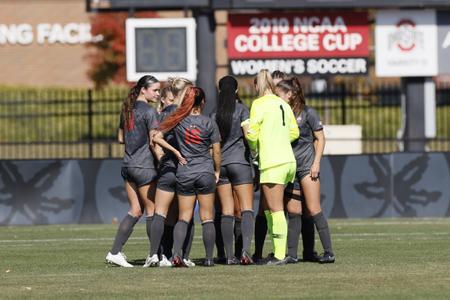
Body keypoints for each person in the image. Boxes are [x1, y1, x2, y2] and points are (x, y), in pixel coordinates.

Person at [158, 86, 221, 267]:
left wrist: (176, 152)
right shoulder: (209, 122)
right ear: (203, 102)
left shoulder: (178, 120)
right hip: (205, 172)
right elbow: (216, 151)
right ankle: (209, 259)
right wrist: (217, 170)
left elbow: (157, 137)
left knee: (184, 217)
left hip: (184, 172)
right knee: (207, 217)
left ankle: (176, 255)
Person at [276, 77, 335, 264]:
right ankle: (292, 255)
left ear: (290, 94)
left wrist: (316, 163)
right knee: (293, 212)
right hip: (289, 168)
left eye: (279, 95)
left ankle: (329, 252)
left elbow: (321, 139)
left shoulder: (308, 112)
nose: (276, 98)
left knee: (313, 209)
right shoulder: (281, 113)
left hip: (307, 167)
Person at [105, 75, 161, 267]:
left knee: (135, 210)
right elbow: (154, 141)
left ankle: (115, 252)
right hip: (144, 166)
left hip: (128, 165)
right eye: (155, 90)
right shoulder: (149, 111)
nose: (158, 93)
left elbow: (121, 138)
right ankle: (154, 256)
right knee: (152, 211)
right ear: (143, 90)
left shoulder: (127, 110)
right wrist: (162, 160)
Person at [246, 69, 299, 265]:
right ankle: (277, 251)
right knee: (269, 209)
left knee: (275, 209)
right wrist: (278, 137)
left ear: (257, 85)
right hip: (288, 161)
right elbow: (294, 132)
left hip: (272, 162)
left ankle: (279, 255)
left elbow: (251, 135)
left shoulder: (258, 104)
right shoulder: (283, 103)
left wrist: (256, 147)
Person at [146, 78, 197, 267]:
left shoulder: (162, 114)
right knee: (185, 215)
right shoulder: (186, 113)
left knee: (161, 213)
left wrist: (163, 159)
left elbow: (154, 140)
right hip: (186, 169)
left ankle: (159, 255)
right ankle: (182, 255)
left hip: (168, 169)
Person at [211, 75, 254, 265]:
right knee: (246, 209)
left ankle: (228, 256)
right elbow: (249, 136)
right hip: (240, 164)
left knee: (226, 212)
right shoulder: (243, 110)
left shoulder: (214, 114)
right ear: (237, 90)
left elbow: (213, 146)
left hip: (222, 166)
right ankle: (244, 252)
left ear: (220, 91)